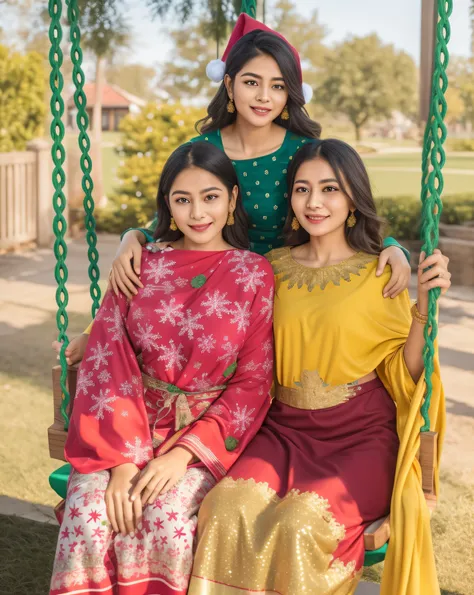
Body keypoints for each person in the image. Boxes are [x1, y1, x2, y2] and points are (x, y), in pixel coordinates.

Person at [55, 14, 410, 365]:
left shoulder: (303, 151)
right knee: (145, 263)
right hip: (214, 286)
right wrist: (134, 236)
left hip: (286, 290)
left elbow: (343, 205)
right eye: (252, 82)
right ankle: (101, 330)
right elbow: (178, 212)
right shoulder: (204, 148)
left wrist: (390, 246)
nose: (264, 97)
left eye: (278, 86)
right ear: (229, 85)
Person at [187, 139, 448, 595]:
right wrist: (137, 241)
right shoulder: (269, 268)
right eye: (302, 189)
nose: (314, 202)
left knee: (300, 523)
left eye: (329, 189)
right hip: (282, 430)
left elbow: (405, 374)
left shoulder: (381, 273)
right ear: (289, 199)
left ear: (352, 200)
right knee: (223, 508)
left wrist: (422, 308)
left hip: (359, 438)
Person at [49, 142, 275, 595]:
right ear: (167, 205)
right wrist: (120, 465)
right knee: (90, 515)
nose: (197, 212)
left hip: (200, 437)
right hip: (123, 430)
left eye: (210, 197)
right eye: (182, 199)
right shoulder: (139, 265)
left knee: (167, 520)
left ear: (232, 200)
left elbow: (253, 382)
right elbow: (106, 360)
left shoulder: (253, 274)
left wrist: (183, 453)